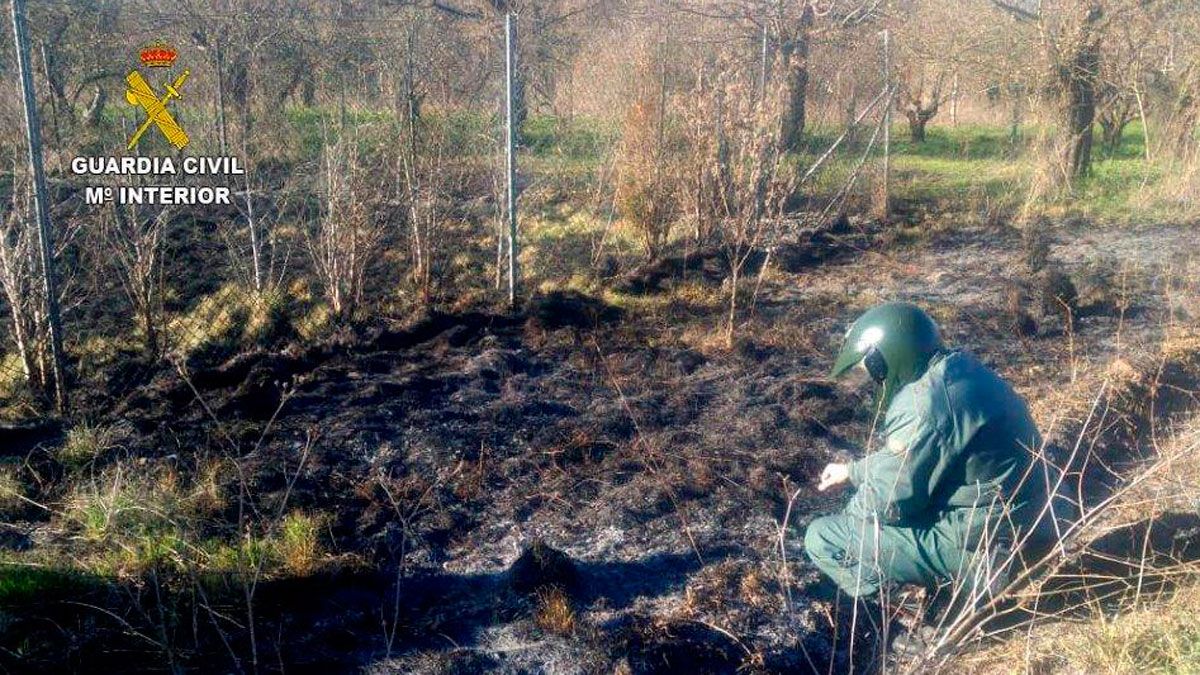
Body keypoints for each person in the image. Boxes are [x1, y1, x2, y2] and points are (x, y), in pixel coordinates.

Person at [803, 302, 1053, 616]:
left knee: (824, 537)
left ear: (886, 360)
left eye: (868, 372)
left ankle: (906, 613)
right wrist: (853, 471)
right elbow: (924, 453)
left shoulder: (923, 405)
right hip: (1033, 518)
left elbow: (888, 501)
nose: (871, 383)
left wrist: (851, 521)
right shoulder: (958, 370)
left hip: (991, 541)